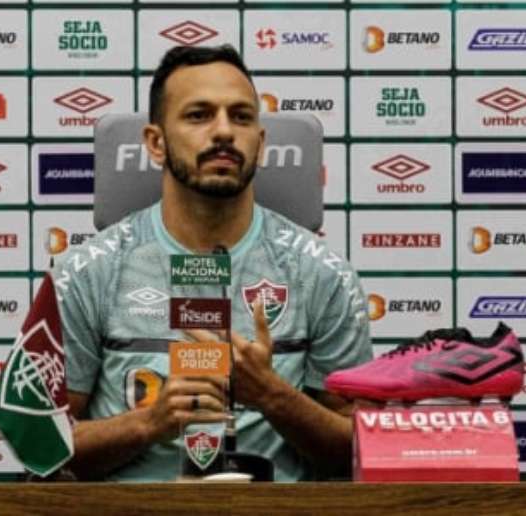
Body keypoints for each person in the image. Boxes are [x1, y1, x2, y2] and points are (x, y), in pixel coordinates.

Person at [52, 44, 371, 482]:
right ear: (156, 142)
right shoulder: (87, 272)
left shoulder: (322, 274)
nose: (223, 132)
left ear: (260, 144)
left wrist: (272, 396)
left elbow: (359, 451)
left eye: (241, 117)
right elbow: (41, 447)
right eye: (198, 115)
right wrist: (149, 423)